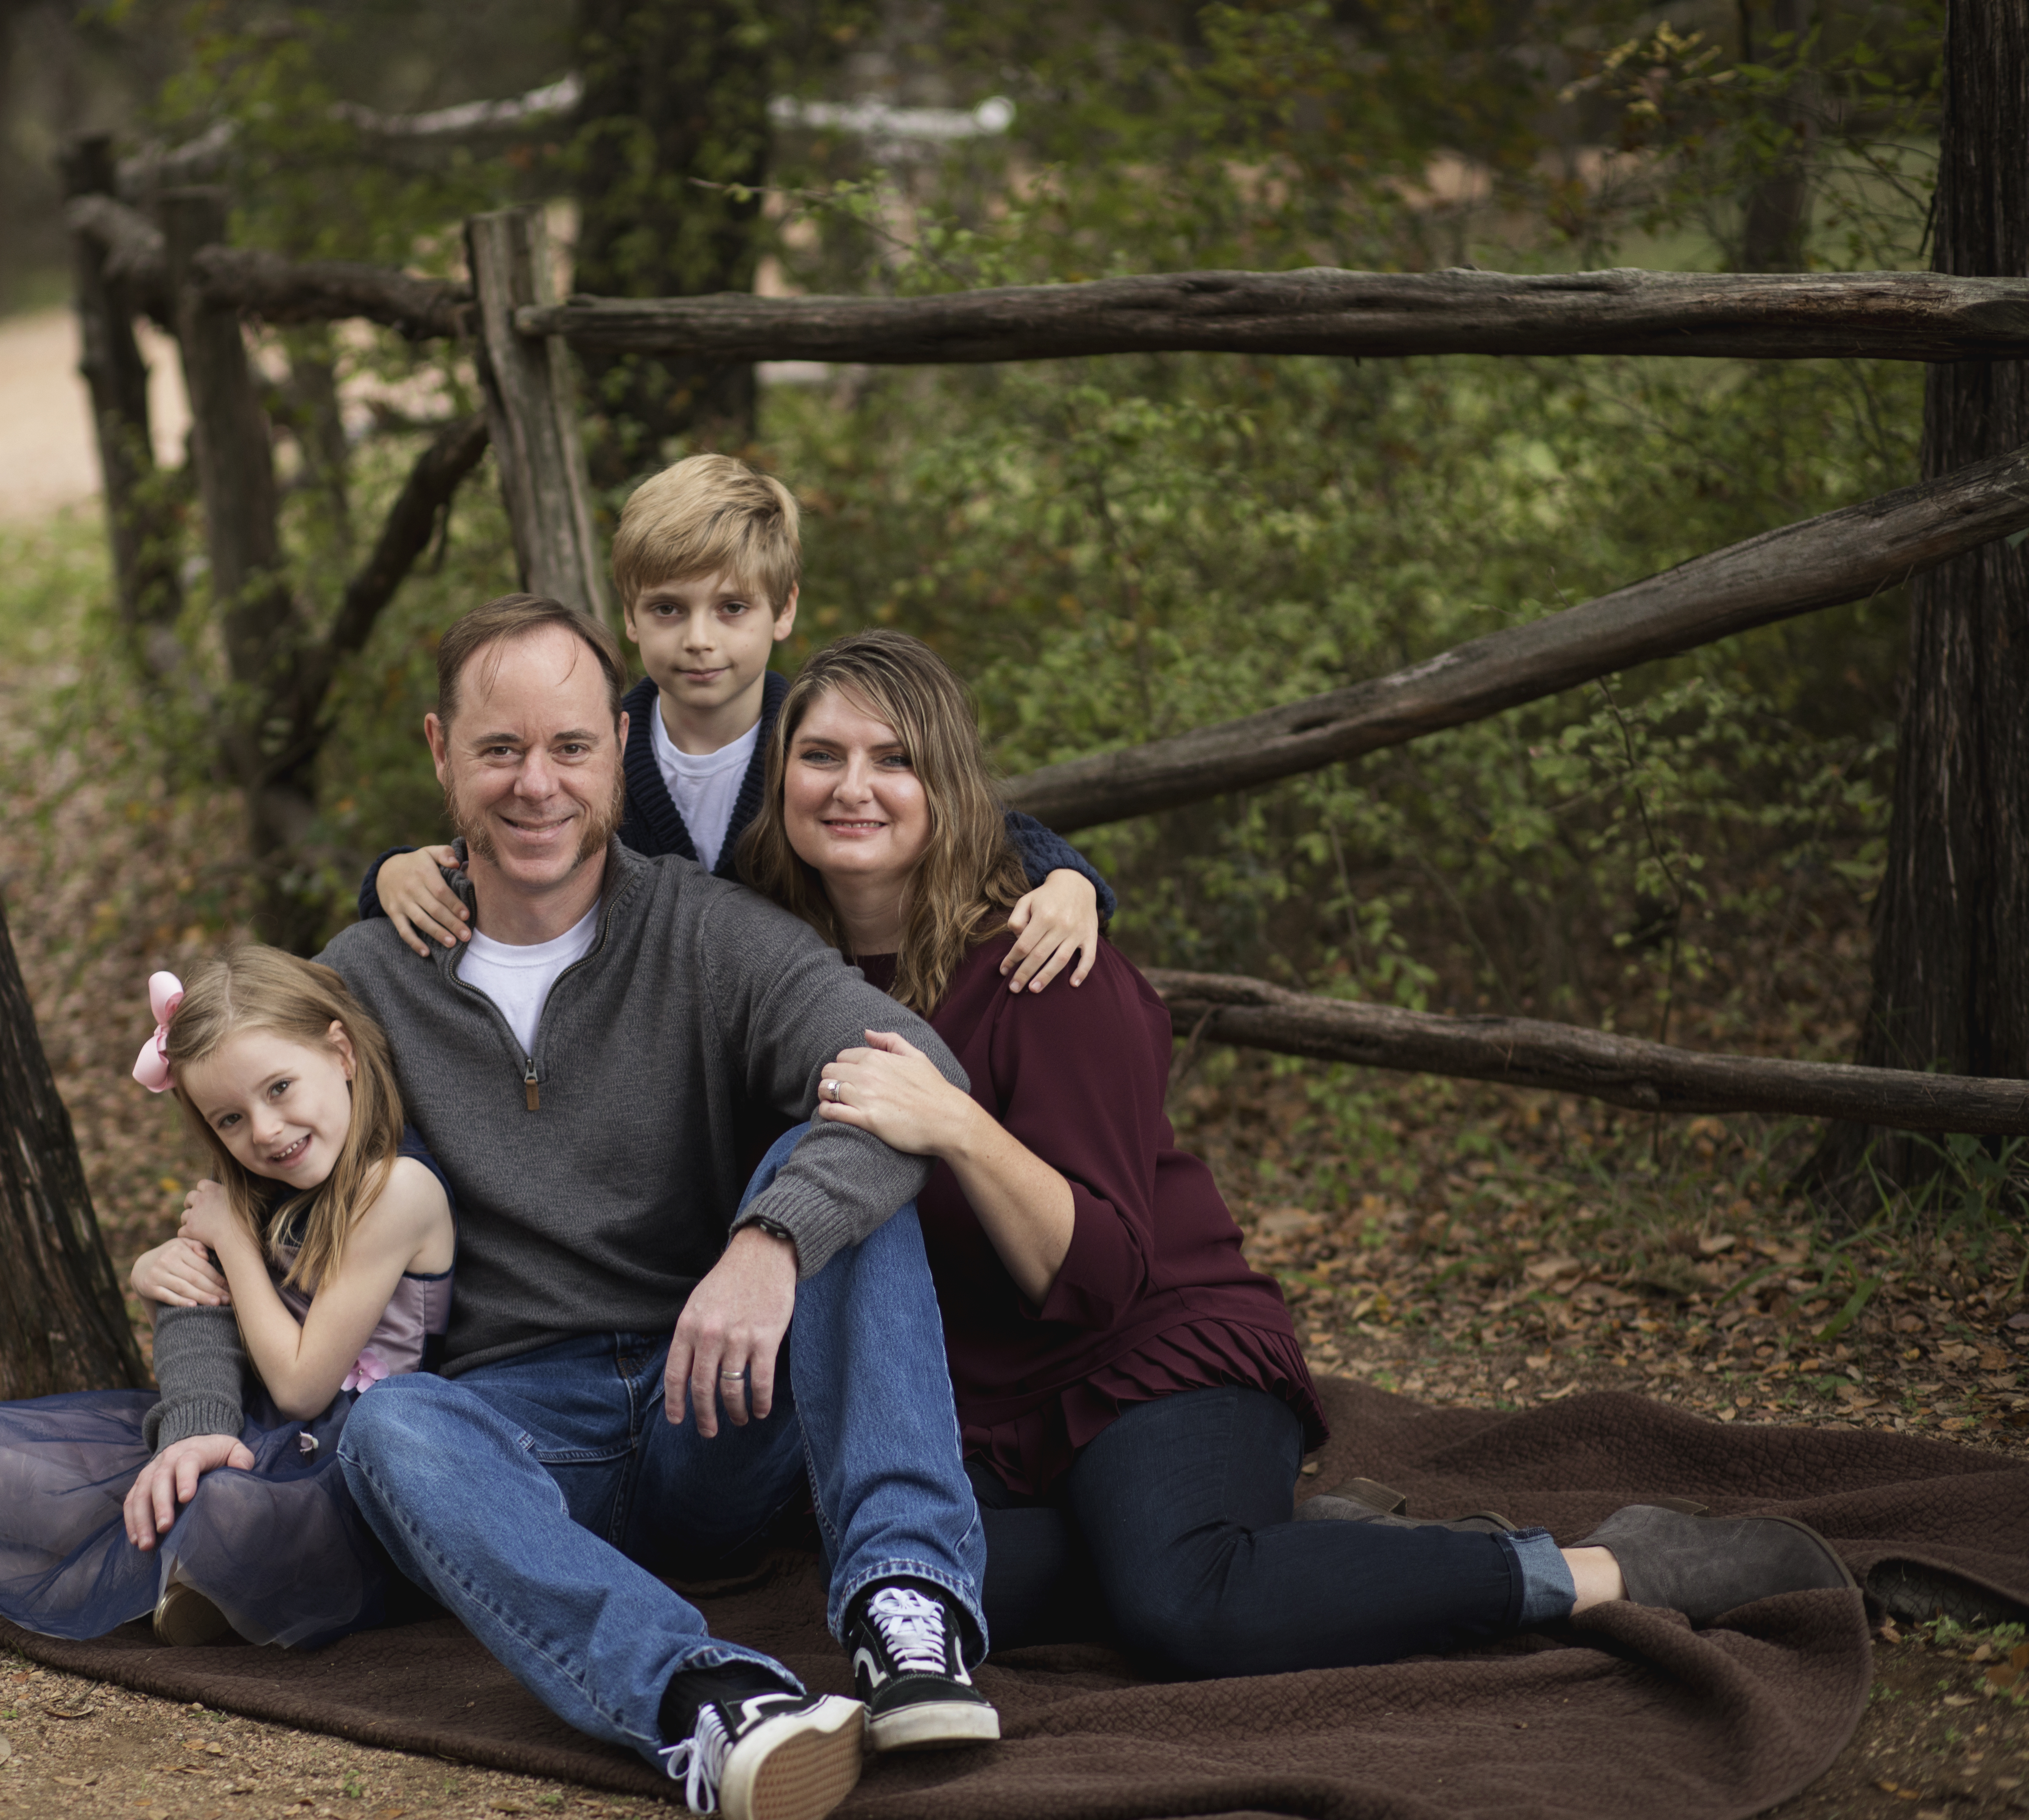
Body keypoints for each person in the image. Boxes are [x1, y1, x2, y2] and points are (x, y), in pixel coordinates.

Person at [734, 628, 1860, 1674]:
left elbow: (1098, 1278)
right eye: (821, 755)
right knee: (920, 1581)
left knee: (1182, 1604)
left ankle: (1605, 1566)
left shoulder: (1047, 966)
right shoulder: (771, 976)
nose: (852, 786)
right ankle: (1297, 1548)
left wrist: (959, 1123)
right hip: (982, 1397)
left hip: (1148, 1350)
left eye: (894, 759)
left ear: (949, 787)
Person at [148, 594, 997, 1820]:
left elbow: (920, 1073)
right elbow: (221, 1211)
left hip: (715, 1396)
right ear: (442, 753)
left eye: (570, 747)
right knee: (394, 1427)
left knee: (840, 1163)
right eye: (499, 748)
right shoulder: (368, 980)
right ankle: (705, 1701)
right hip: (518, 1440)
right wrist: (193, 1413)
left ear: (619, 745)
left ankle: (905, 1608)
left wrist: (769, 1242)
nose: (537, 784)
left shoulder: (709, 935)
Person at [359, 453, 1111, 996]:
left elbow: (972, 823)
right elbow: (504, 845)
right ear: (629, 616)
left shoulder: (815, 747)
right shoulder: (588, 751)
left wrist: (1070, 881)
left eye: (732, 608)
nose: (699, 640)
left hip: (785, 1043)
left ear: (784, 610)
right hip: (640, 1050)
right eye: (667, 609)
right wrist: (392, 874)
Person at [0, 946, 455, 1652]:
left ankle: (82, 1566)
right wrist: (161, 1284)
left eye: (280, 1088)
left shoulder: (397, 1190)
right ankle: (176, 1576)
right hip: (243, 1430)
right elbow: (204, 1317)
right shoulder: (260, 1186)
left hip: (349, 1471)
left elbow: (303, 1386)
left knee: (227, 1506)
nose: (265, 1131)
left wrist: (233, 1245)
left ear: (342, 1053)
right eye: (230, 1120)